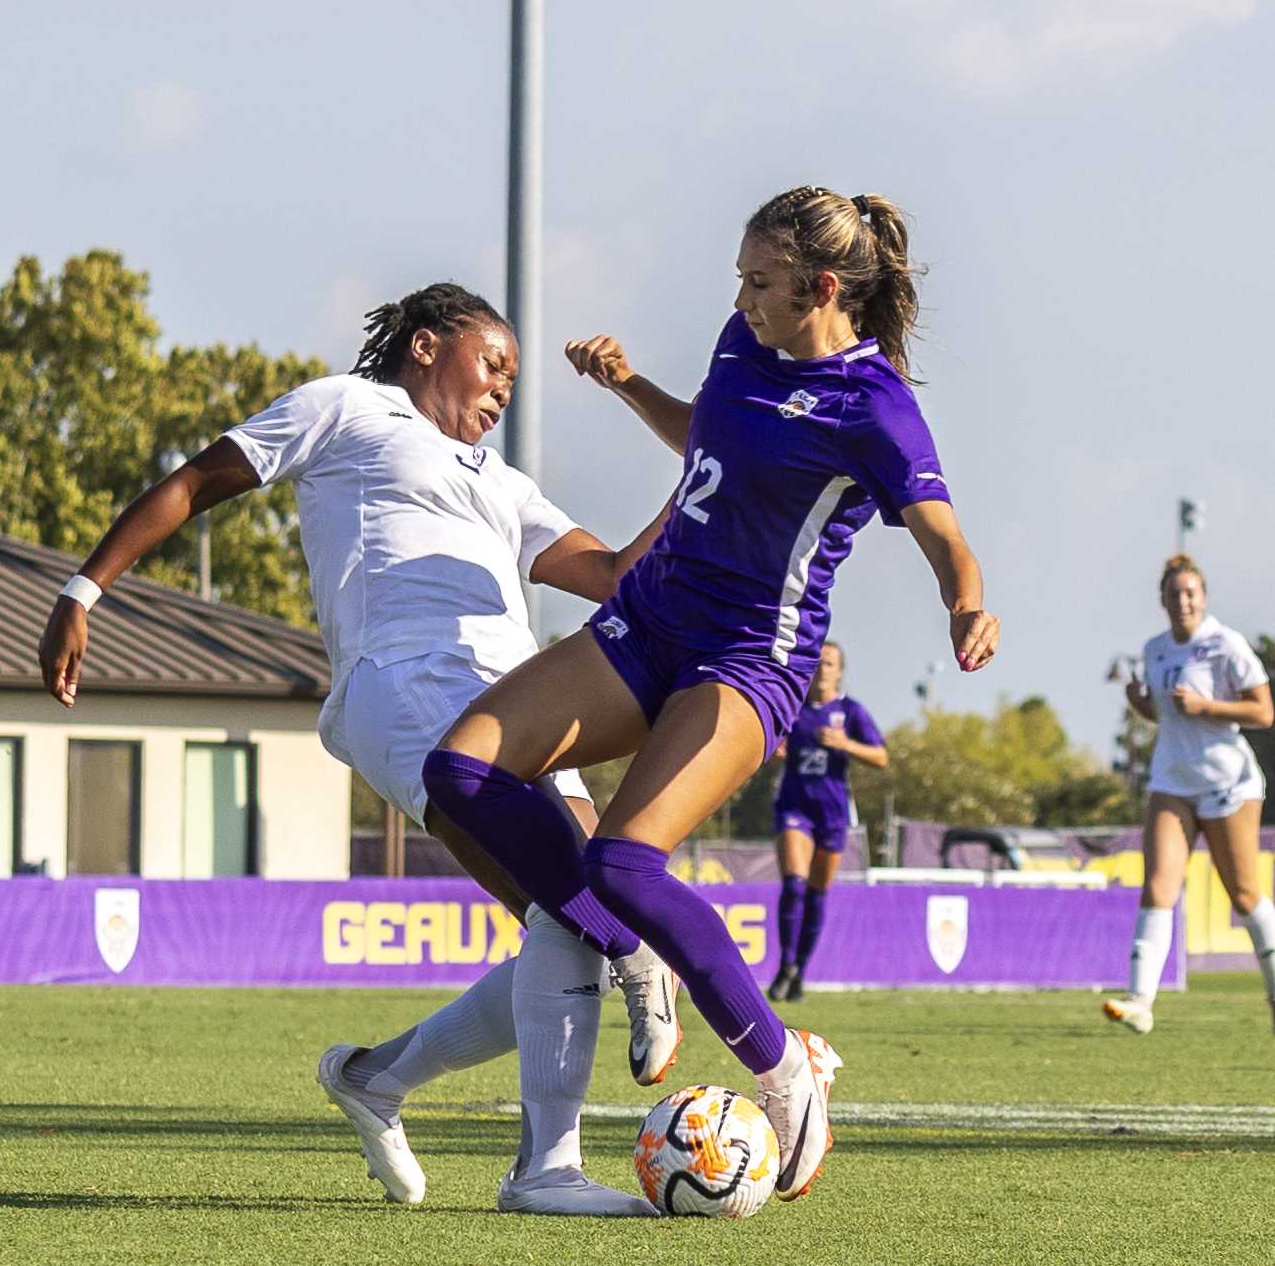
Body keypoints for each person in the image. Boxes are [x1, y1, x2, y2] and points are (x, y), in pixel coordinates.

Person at [37, 282, 677, 1216]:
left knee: (568, 921)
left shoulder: (500, 483)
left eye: (512, 375)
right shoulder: (349, 407)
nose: (504, 386)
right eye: (491, 362)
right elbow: (194, 484)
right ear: (425, 346)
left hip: (530, 701)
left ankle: (378, 1079)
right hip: (407, 685)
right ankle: (548, 1165)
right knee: (582, 906)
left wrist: (706, 478)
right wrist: (83, 590)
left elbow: (618, 576)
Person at [423, 186, 998, 1204]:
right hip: (647, 621)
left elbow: (942, 529)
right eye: (739, 275)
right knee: (459, 771)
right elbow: (713, 436)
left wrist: (967, 603)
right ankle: (618, 945)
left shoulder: (874, 404)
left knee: (625, 859)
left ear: (822, 287)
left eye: (760, 280)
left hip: (748, 657)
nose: (740, 294)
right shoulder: (744, 338)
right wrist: (632, 385)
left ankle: (785, 1070)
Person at [1103, 555, 1275, 1037]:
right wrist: (1141, 705)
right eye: (1173, 594)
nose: (1182, 601)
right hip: (1171, 780)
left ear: (1203, 597)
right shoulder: (1154, 650)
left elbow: (1264, 712)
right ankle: (1140, 1001)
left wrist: (1207, 705)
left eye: (1190, 593)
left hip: (1228, 783)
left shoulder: (1226, 644)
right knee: (1158, 889)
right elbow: (1168, 717)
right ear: (1162, 600)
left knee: (1245, 895)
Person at [767, 642, 887, 1002]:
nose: (822, 668)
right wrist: (772, 746)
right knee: (794, 884)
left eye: (830, 663)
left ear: (840, 670)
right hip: (794, 807)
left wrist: (846, 744)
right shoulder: (794, 706)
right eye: (818, 662)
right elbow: (766, 736)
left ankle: (800, 970)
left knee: (817, 894)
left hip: (832, 813)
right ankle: (786, 963)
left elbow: (881, 756)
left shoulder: (850, 712)